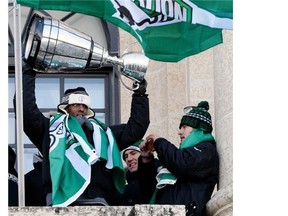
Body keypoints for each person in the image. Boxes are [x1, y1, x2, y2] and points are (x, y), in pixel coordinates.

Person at [13, 64, 150, 207]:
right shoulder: (49, 129)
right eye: (76, 104)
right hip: (60, 200)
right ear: (65, 108)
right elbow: (26, 113)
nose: (81, 109)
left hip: (98, 200)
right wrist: (28, 73)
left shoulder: (103, 133)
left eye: (84, 106)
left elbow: (136, 128)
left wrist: (139, 94)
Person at [138, 101, 219, 216]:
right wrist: (146, 160)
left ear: (199, 129)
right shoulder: (176, 158)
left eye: (184, 127)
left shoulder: (207, 151)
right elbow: (148, 189)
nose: (179, 132)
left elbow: (182, 164)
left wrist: (159, 141)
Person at [120, 139, 154, 205]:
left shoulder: (156, 180)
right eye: (126, 156)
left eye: (133, 153)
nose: (128, 159)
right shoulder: (123, 189)